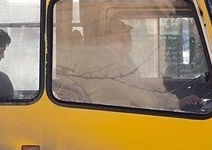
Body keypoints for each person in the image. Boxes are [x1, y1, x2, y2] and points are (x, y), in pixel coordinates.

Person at [56, 19, 199, 111]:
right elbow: (138, 95)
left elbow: (139, 86)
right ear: (107, 37)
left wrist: (168, 95)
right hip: (112, 119)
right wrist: (177, 103)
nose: (127, 38)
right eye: (122, 35)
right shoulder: (107, 59)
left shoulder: (120, 57)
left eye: (128, 34)